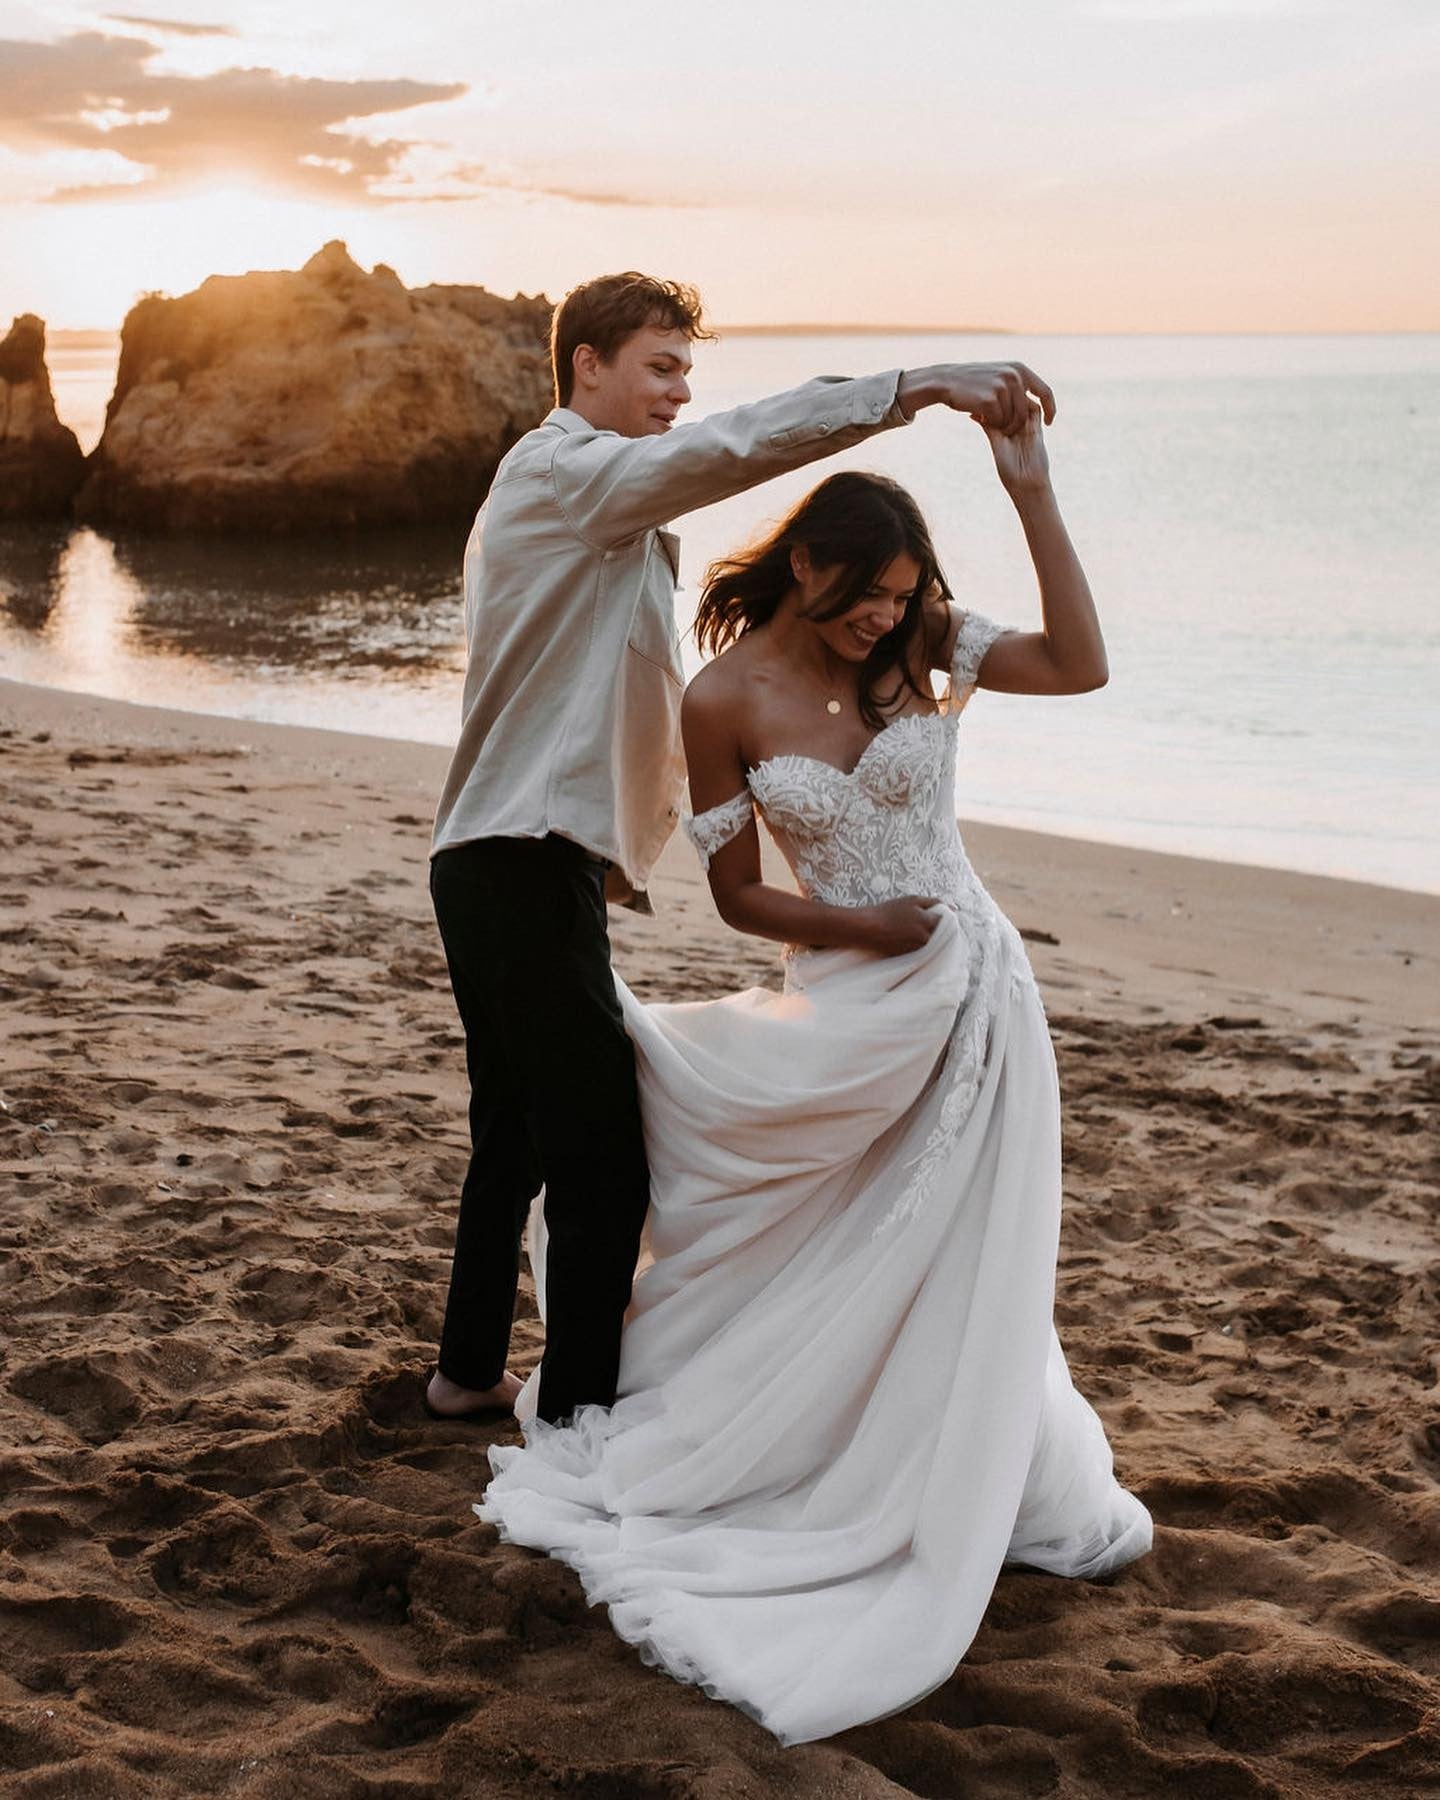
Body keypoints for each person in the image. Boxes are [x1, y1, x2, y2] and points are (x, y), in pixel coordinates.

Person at [476, 410, 1154, 1743]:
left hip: (976, 994)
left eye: (907, 597)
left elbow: (1082, 665)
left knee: (960, 1248)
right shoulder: (720, 698)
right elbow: (736, 898)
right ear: (804, 570)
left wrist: (1033, 490)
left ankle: (950, 1463)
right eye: (868, 596)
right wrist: (857, 930)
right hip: (858, 989)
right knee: (838, 1227)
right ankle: (825, 1458)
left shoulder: (927, 654)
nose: (886, 620)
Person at [426, 268, 1056, 1427]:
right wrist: (913, 388)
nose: (678, 391)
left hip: (515, 859)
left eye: (685, 370)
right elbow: (735, 448)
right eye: (660, 366)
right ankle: (577, 1417)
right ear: (589, 367)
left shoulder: (602, 512)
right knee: (605, 1155)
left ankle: (466, 1374)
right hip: (513, 858)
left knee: (513, 1131)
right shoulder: (564, 473)